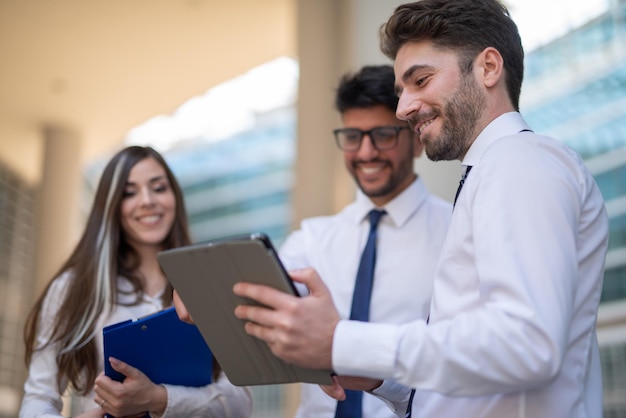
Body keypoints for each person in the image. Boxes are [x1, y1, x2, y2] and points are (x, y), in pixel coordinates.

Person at [230, 0, 610, 417]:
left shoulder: (518, 161)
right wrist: (376, 376)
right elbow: (468, 381)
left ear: (487, 68)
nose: (403, 108)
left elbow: (527, 344)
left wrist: (343, 341)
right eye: (402, 90)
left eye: (421, 80)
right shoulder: (492, 173)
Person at [20, 146, 252, 417]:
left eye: (158, 188)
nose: (147, 201)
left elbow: (241, 402)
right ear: (111, 206)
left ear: (174, 197)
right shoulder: (73, 288)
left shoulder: (207, 283)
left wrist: (159, 399)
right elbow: (38, 400)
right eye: (129, 192)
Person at [278, 65, 451, 418]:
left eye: (383, 135)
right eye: (353, 136)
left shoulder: (457, 231)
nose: (366, 152)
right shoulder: (310, 240)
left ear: (417, 139)